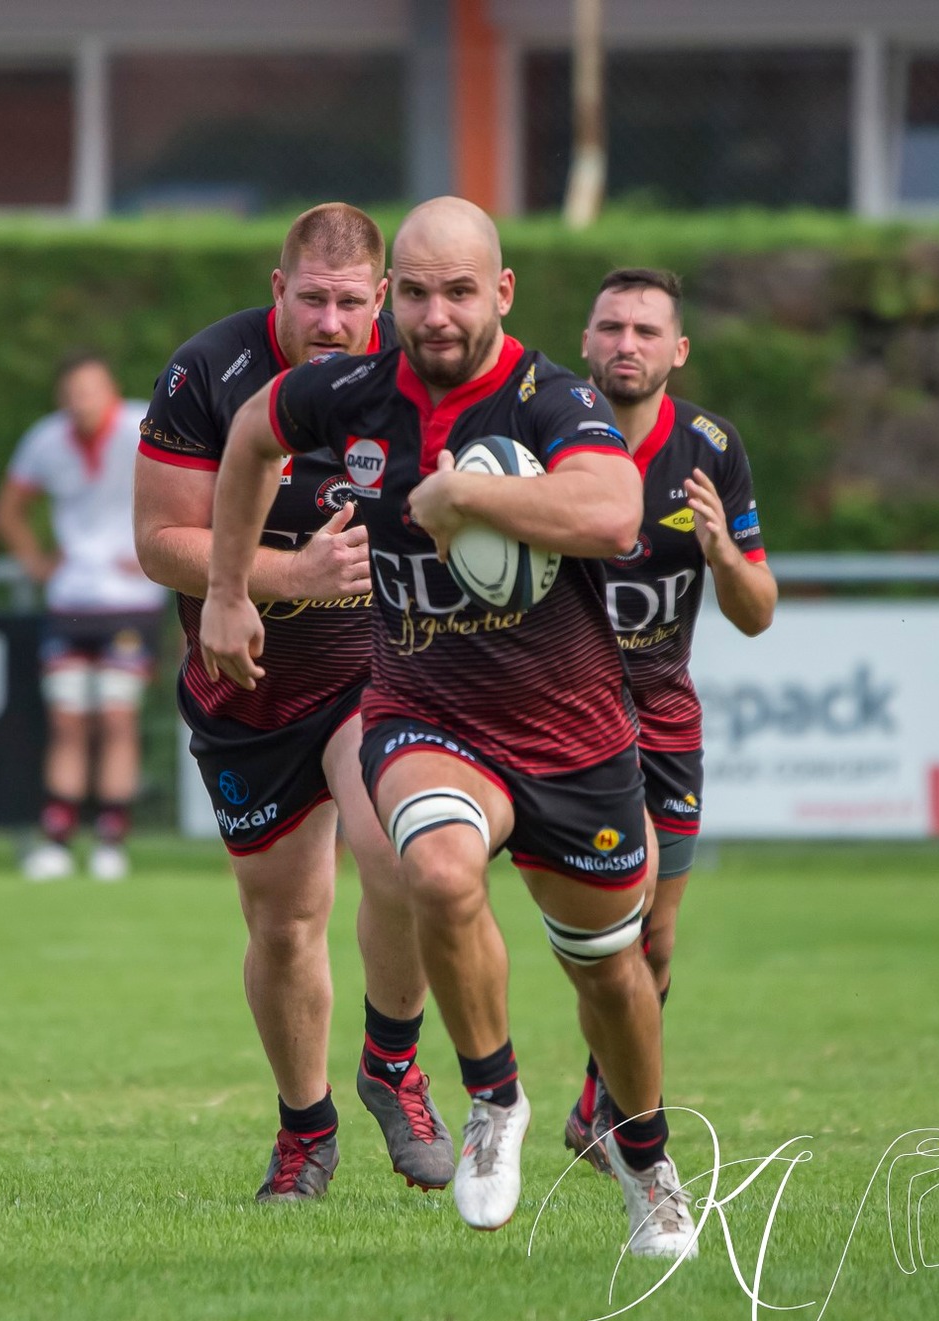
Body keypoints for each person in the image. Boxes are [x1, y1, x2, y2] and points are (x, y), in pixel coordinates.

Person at [200, 197, 698, 1258]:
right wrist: (227, 587)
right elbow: (249, 437)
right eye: (416, 291)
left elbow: (609, 511)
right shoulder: (348, 389)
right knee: (430, 867)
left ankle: (646, 1160)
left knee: (608, 972)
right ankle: (493, 1097)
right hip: (425, 709)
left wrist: (471, 501)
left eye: (458, 291)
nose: (433, 314)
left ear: (501, 294)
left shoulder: (544, 395)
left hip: (571, 732)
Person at [133, 204, 448, 1201]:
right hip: (247, 686)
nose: (331, 322)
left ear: (385, 297)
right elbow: (156, 542)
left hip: (376, 667)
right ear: (278, 291)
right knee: (283, 920)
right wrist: (288, 572)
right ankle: (303, 1129)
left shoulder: (419, 374)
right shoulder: (208, 372)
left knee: (398, 851)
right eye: (311, 299)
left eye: (353, 302)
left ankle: (391, 1062)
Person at [562, 267, 776, 1169]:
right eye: (611, 326)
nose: (626, 343)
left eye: (647, 330)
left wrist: (722, 547)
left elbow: (758, 609)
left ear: (676, 350)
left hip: (663, 716)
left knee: (653, 939)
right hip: (559, 712)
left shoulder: (709, 448)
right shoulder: (548, 431)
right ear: (585, 340)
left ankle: (599, 1108)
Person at [0, 354, 164, 882]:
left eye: (91, 390)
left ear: (111, 390)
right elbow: (10, 508)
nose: (82, 402)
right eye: (72, 392)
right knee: (68, 720)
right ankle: (58, 838)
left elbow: (197, 484)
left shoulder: (147, 424)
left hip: (131, 600)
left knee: (117, 716)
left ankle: (112, 838)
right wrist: (37, 562)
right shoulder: (45, 439)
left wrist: (160, 550)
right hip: (70, 600)